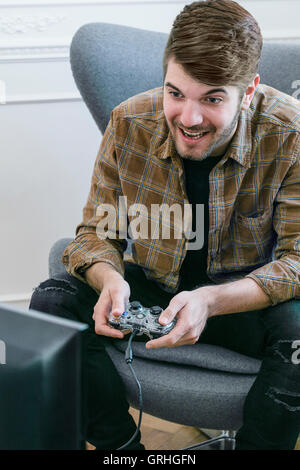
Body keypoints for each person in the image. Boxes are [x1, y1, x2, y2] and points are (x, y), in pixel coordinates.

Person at [30, 0, 300, 450]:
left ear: (248, 90)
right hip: (153, 290)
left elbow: (297, 260)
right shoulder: (128, 123)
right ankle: (122, 451)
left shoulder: (290, 136)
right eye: (175, 93)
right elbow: (97, 233)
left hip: (242, 301)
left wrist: (210, 302)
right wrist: (110, 278)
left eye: (212, 99)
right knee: (53, 301)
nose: (188, 119)